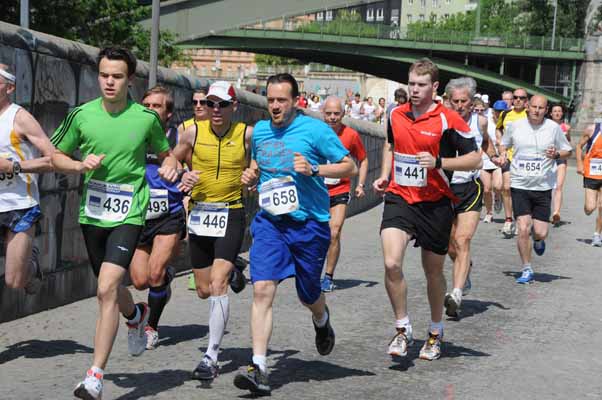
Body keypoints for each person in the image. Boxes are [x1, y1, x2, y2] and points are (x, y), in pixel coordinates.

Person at [50, 47, 179, 400]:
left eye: (117, 76)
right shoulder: (81, 116)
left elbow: (167, 156)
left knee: (106, 288)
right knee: (111, 289)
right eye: (105, 74)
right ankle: (136, 315)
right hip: (93, 215)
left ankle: (95, 375)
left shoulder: (145, 118)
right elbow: (55, 155)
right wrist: (78, 165)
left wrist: (170, 167)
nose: (109, 81)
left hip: (129, 213)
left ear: (129, 80)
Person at [234, 73, 357, 395]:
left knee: (308, 294)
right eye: (270, 100)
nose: (275, 106)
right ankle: (258, 366)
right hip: (271, 223)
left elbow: (350, 167)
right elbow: (258, 170)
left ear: (296, 101)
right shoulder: (259, 132)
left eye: (281, 100)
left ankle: (321, 318)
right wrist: (250, 176)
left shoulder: (315, 130)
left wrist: (315, 169)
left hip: (309, 225)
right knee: (261, 289)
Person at [373, 59, 481, 361]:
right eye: (411, 84)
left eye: (421, 85)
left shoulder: (447, 119)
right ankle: (402, 327)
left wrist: (439, 163)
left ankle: (435, 332)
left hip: (435, 202)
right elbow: (390, 145)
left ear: (434, 88)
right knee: (392, 262)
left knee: (433, 271)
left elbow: (475, 158)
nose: (415, 90)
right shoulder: (396, 114)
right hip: (400, 197)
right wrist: (384, 175)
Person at [172, 81, 253, 382]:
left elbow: (259, 163)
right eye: (209, 104)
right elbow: (172, 157)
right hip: (201, 213)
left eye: (221, 104)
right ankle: (233, 269)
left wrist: (253, 173)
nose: (215, 110)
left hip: (231, 212)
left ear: (234, 106)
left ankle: (211, 356)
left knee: (217, 284)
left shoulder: (246, 134)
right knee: (204, 289)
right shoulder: (192, 132)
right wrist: (182, 172)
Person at [129, 86, 190, 350]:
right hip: (138, 214)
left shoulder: (180, 139)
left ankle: (151, 327)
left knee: (153, 274)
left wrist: (190, 182)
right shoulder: (132, 136)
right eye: (147, 106)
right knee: (140, 280)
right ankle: (166, 279)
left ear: (168, 113)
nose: (151, 110)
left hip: (169, 215)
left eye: (157, 106)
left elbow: (197, 171)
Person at [497, 95, 572, 284]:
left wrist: (556, 154)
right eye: (534, 107)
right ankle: (526, 268)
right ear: (528, 106)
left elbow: (567, 150)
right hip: (520, 184)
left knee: (540, 232)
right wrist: (503, 154)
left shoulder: (553, 128)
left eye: (541, 108)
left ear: (546, 110)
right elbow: (504, 143)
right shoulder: (515, 126)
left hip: (543, 186)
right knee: (523, 228)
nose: (537, 110)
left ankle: (538, 240)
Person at [0, 63, 54, 295]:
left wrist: (13, 166)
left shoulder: (20, 118)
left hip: (19, 205)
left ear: (9, 87)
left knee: (14, 281)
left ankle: (31, 265)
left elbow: (53, 159)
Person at [443, 77, 493, 317]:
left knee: (463, 240)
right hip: (444, 189)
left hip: (470, 188)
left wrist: (498, 157)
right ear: (448, 101)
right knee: (449, 246)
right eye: (456, 101)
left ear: (472, 102)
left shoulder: (480, 122)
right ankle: (465, 269)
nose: (460, 105)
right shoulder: (441, 121)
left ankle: (456, 293)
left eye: (464, 101)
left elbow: (487, 144)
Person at [320, 96, 368, 292]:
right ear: (323, 114)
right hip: (317, 190)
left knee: (334, 232)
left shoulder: (351, 135)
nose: (332, 117)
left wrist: (361, 184)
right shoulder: (316, 133)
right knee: (315, 234)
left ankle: (328, 276)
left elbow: (363, 160)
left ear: (343, 114)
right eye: (329, 113)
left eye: (336, 114)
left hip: (340, 189)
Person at [496, 88, 529, 238]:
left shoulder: (530, 115)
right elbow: (499, 130)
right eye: (515, 97)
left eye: (522, 98)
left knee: (521, 190)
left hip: (524, 158)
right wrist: (500, 146)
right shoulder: (505, 114)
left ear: (526, 100)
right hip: (508, 156)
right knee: (506, 187)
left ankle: (520, 218)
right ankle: (508, 219)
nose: (518, 100)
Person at [576, 123, 602, 247]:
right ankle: (590, 205)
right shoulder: (592, 129)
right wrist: (580, 164)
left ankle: (597, 235)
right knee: (590, 208)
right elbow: (579, 146)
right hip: (591, 174)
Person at [481, 100, 508, 222]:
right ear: (493, 111)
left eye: (502, 111)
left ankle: (498, 197)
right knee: (486, 189)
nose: (499, 113)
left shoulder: (508, 123)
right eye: (497, 111)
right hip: (485, 158)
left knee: (497, 186)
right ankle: (489, 212)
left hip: (499, 159)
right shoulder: (487, 122)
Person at [549, 104, 571, 225]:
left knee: (559, 186)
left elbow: (569, 146)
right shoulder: (546, 125)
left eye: (559, 111)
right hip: (548, 158)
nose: (557, 113)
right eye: (555, 111)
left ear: (562, 113)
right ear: (551, 114)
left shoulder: (566, 127)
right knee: (547, 186)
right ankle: (544, 209)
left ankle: (556, 212)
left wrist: (567, 136)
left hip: (561, 158)